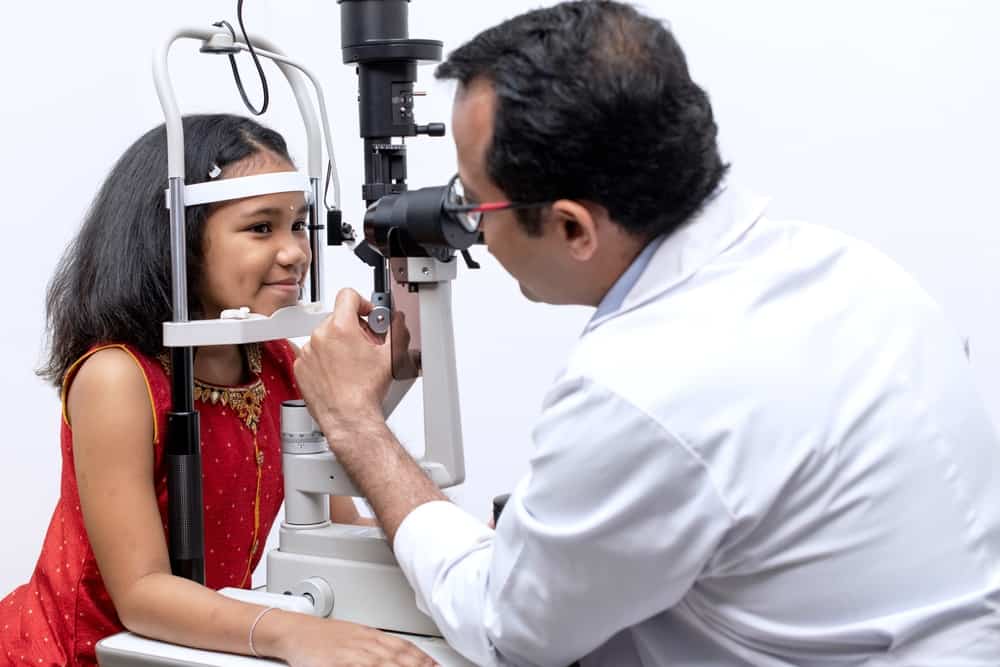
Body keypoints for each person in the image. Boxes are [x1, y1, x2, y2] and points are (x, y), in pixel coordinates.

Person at [293, 2, 1000, 666]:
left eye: (474, 205)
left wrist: (358, 424)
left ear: (573, 227)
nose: (468, 223)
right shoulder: (856, 272)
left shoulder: (644, 388)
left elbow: (510, 628)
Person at [0, 114, 433, 667]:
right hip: (81, 653)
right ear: (178, 238)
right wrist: (295, 634)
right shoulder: (119, 378)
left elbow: (334, 525)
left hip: (207, 643)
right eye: (261, 228)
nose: (295, 251)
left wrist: (449, 545)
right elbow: (141, 593)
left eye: (298, 225)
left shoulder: (275, 359)